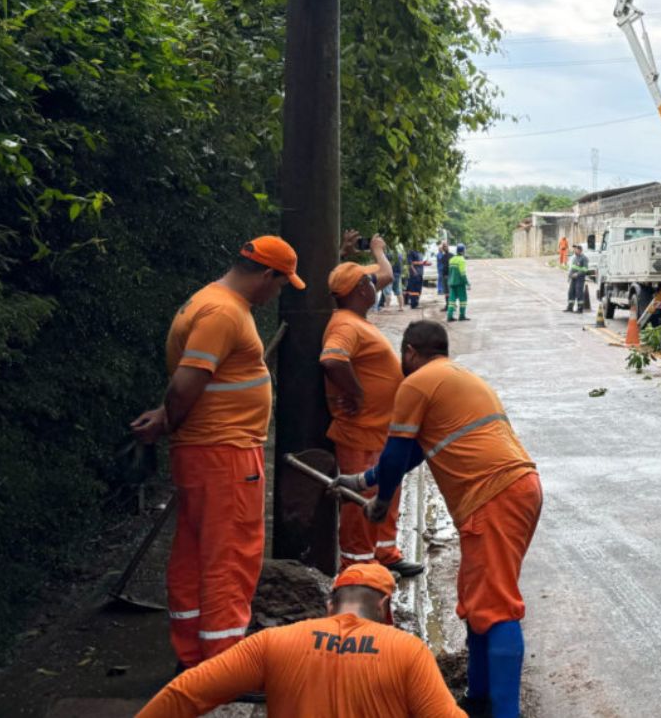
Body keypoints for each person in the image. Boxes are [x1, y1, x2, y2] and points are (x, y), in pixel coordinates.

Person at [335, 320, 542, 718]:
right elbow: (416, 452)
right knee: (477, 594)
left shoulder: (416, 384)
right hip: (519, 487)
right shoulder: (456, 377)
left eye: (402, 355)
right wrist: (363, 480)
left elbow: (396, 455)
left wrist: (379, 504)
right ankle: (479, 696)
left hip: (493, 496)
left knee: (495, 604)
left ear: (411, 351)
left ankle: (503, 711)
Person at [130, 236, 304, 669]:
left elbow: (196, 383)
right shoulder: (224, 312)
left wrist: (165, 417)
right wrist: (168, 418)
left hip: (206, 452)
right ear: (267, 275)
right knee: (231, 558)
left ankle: (192, 655)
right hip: (225, 454)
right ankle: (223, 666)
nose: (277, 294)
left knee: (194, 554)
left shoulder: (207, 301)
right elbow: (185, 385)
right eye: (281, 285)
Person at [135, 563, 463, 718]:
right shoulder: (408, 652)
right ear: (382, 607)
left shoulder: (274, 642)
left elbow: (185, 693)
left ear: (329, 606)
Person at [321, 239, 423, 577]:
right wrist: (357, 392)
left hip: (379, 430)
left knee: (386, 490)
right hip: (360, 431)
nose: (373, 282)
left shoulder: (356, 315)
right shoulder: (346, 324)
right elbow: (333, 359)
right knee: (360, 499)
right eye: (368, 280)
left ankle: (385, 553)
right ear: (359, 290)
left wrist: (377, 251)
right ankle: (357, 566)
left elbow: (387, 275)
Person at [565, 244, 592, 313]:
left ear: (580, 250)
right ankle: (570, 307)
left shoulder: (584, 258)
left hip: (579, 279)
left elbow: (585, 269)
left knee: (579, 292)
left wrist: (577, 274)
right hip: (573, 278)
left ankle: (580, 308)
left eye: (576, 249)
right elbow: (573, 268)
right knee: (571, 292)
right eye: (574, 249)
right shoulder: (575, 258)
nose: (574, 251)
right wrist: (569, 276)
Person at [446, 244, 469, 322]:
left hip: (452, 283)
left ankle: (449, 316)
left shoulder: (452, 259)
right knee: (463, 300)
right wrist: (467, 283)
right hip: (460, 283)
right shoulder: (461, 260)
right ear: (463, 251)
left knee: (452, 300)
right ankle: (462, 316)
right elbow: (462, 273)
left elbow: (450, 272)